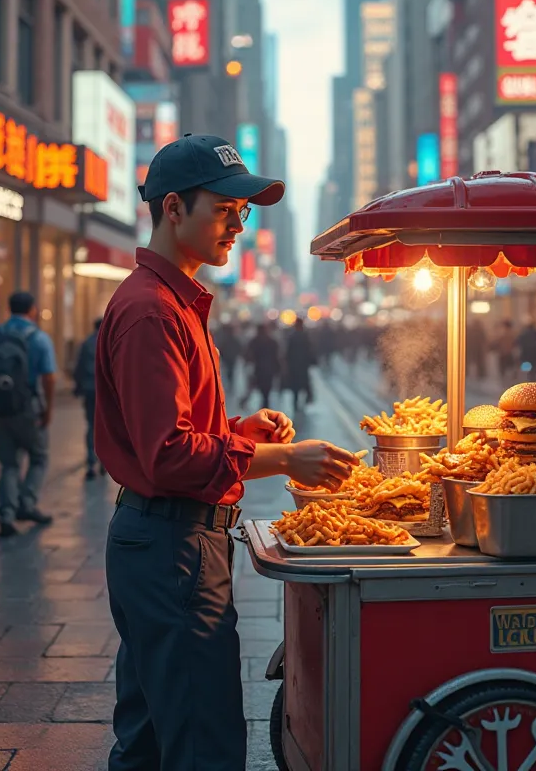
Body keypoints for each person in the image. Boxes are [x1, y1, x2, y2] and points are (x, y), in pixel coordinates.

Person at [95, 133, 358, 771]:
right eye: (225, 210)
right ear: (173, 209)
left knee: (153, 739)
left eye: (245, 213)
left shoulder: (176, 302)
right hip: (173, 550)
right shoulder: (153, 312)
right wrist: (289, 461)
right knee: (202, 741)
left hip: (167, 545)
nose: (239, 225)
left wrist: (242, 430)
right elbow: (169, 455)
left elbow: (178, 429)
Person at [0, 291, 56, 538]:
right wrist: (48, 408)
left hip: (0, 409)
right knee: (39, 457)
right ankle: (26, 503)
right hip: (29, 409)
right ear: (32, 309)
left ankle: (6, 514)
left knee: (8, 464)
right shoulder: (39, 338)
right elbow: (49, 376)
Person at [73, 318, 104, 480]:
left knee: (92, 425)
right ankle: (104, 462)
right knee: (106, 427)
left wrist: (77, 387)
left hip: (89, 389)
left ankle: (91, 462)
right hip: (106, 392)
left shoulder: (86, 343)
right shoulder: (110, 340)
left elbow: (78, 366)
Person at [244, 322, 281, 409]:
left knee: (261, 387)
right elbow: (277, 356)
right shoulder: (272, 341)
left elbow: (248, 355)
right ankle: (265, 403)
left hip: (259, 369)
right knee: (266, 388)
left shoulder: (254, 341)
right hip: (269, 369)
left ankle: (264, 403)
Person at [285, 316, 316, 410]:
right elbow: (310, 349)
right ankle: (307, 397)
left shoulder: (292, 336)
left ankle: (296, 401)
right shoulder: (305, 336)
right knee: (304, 381)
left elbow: (288, 351)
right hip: (303, 364)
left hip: (294, 364)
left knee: (295, 384)